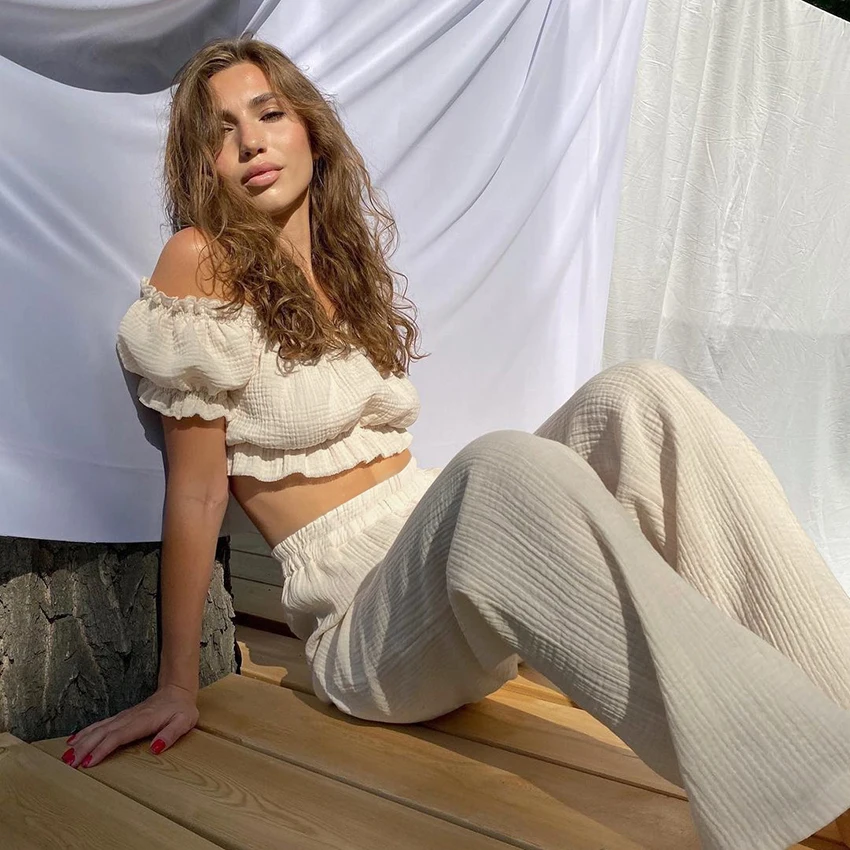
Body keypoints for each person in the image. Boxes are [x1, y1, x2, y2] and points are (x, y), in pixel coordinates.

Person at [62, 35, 850, 850]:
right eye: (222, 131)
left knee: (641, 397)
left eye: (268, 114)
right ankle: (800, 778)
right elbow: (197, 490)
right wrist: (177, 684)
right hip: (371, 630)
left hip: (449, 582)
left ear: (311, 131)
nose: (251, 142)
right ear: (205, 165)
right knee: (497, 463)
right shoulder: (202, 262)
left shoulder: (343, 266)